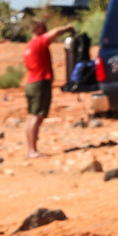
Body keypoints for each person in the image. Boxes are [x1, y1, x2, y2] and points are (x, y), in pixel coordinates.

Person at [22, 19, 72, 158]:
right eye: (44, 29)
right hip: (39, 83)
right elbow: (55, 33)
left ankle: (31, 149)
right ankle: (32, 151)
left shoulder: (28, 46)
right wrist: (67, 28)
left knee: (32, 116)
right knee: (37, 117)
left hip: (30, 83)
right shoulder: (38, 42)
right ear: (39, 29)